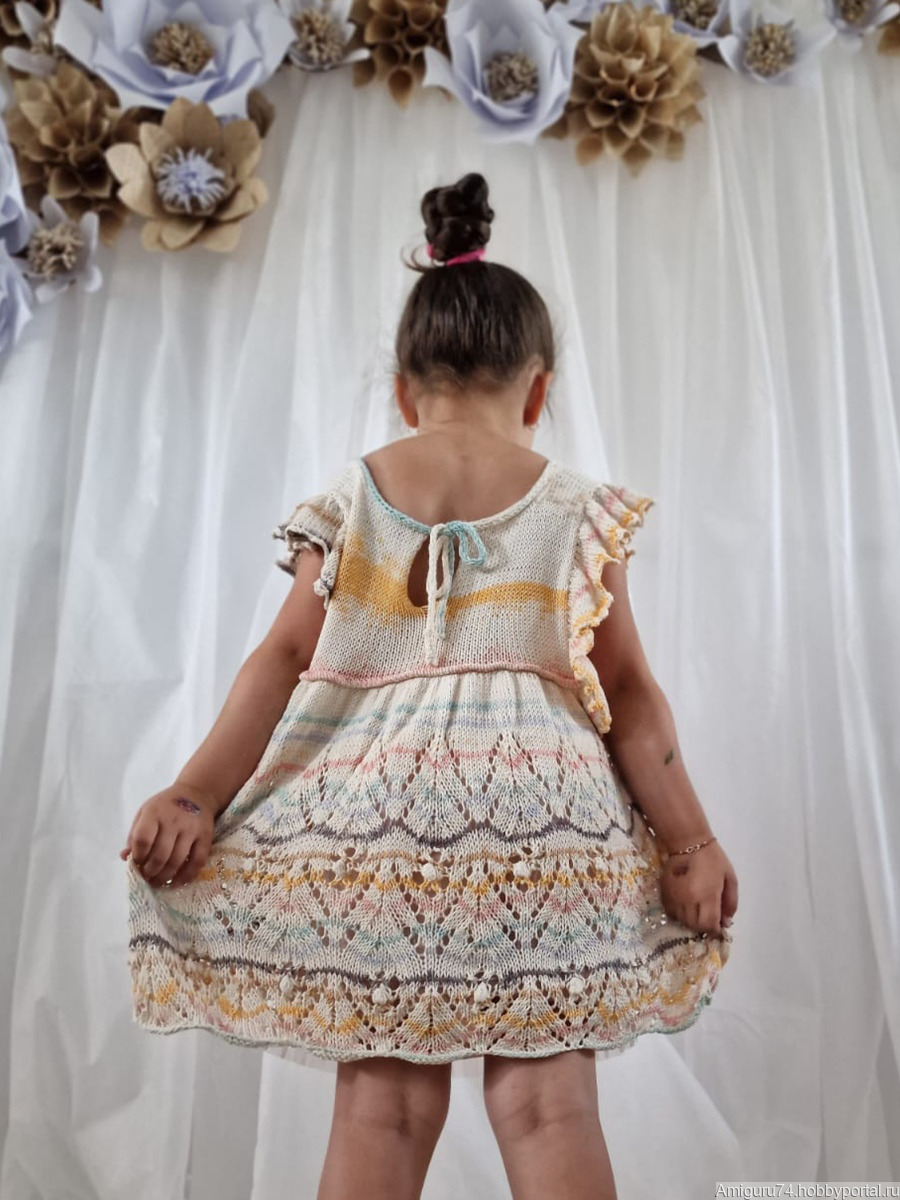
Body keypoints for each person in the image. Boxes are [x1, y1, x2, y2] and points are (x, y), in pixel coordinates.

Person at [120, 171, 737, 1200]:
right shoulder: (577, 507)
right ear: (537, 391)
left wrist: (194, 795)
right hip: (547, 823)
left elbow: (281, 660)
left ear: (404, 392)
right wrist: (691, 843)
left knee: (385, 1112)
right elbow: (630, 693)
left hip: (384, 824)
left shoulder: (352, 497)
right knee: (549, 1110)